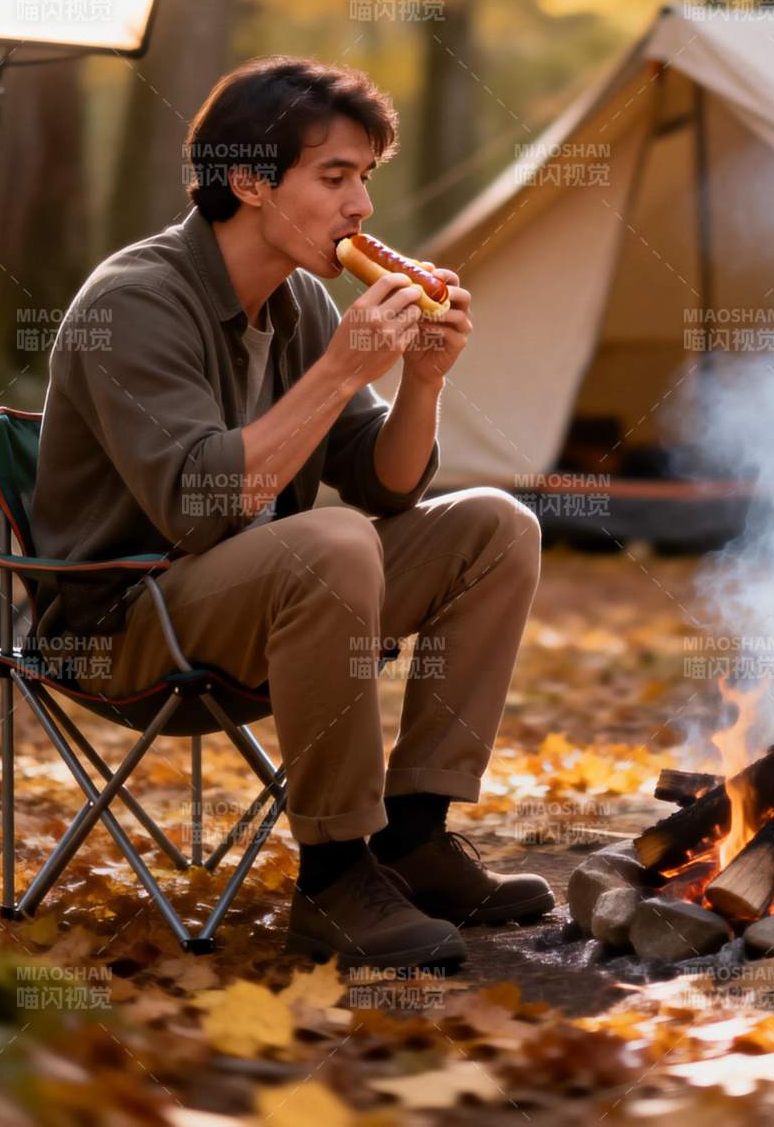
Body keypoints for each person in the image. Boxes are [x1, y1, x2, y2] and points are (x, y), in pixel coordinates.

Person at [31, 56, 551, 969]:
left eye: (366, 178)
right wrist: (343, 369)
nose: (363, 207)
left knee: (496, 526)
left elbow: (386, 486)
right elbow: (199, 507)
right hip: (126, 625)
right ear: (248, 181)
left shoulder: (302, 300)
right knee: (331, 539)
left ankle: (413, 839)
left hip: (276, 603)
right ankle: (334, 879)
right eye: (335, 177)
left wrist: (423, 381)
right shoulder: (135, 300)